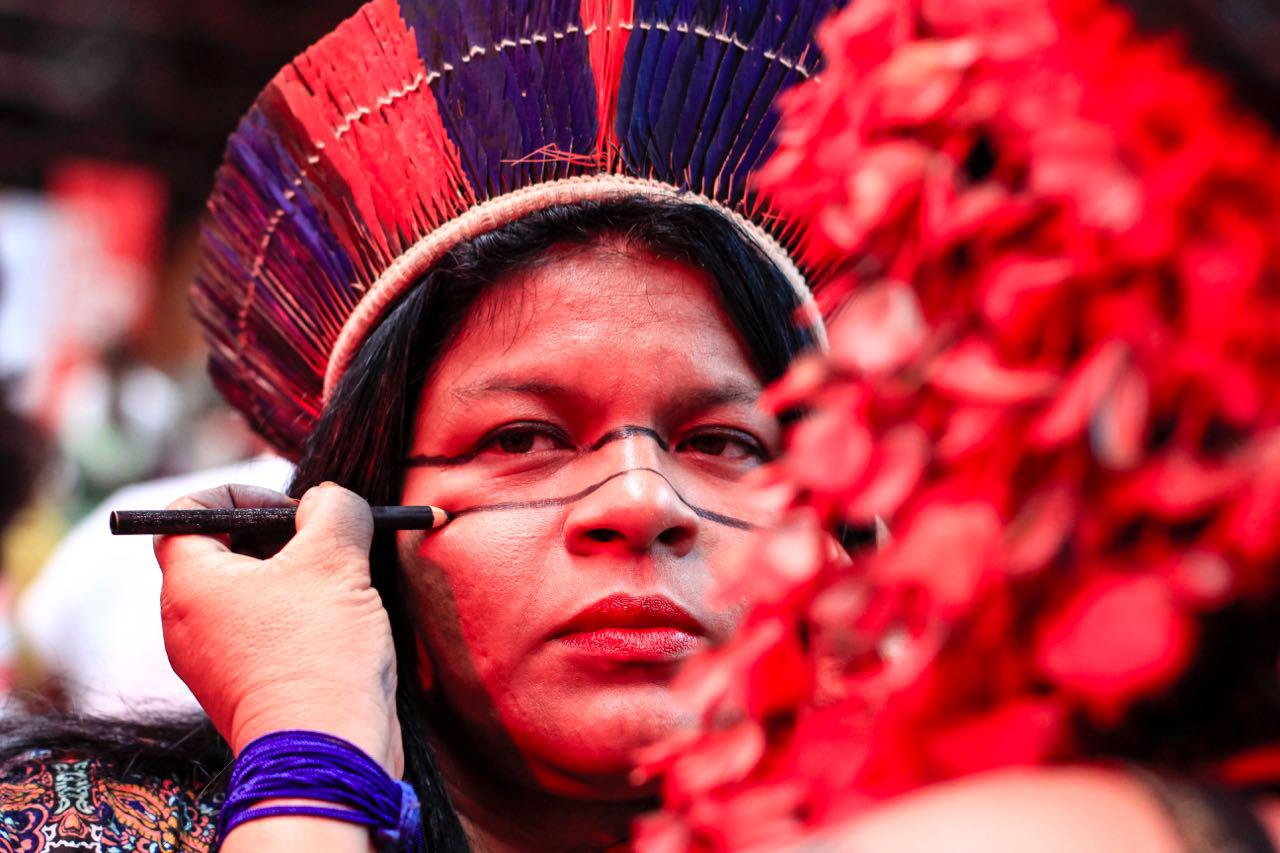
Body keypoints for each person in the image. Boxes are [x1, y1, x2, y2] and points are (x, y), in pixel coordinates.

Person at [1, 2, 1277, 853]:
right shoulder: (77, 828)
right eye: (522, 440)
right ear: (350, 533)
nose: (642, 504)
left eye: (727, 443)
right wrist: (303, 745)